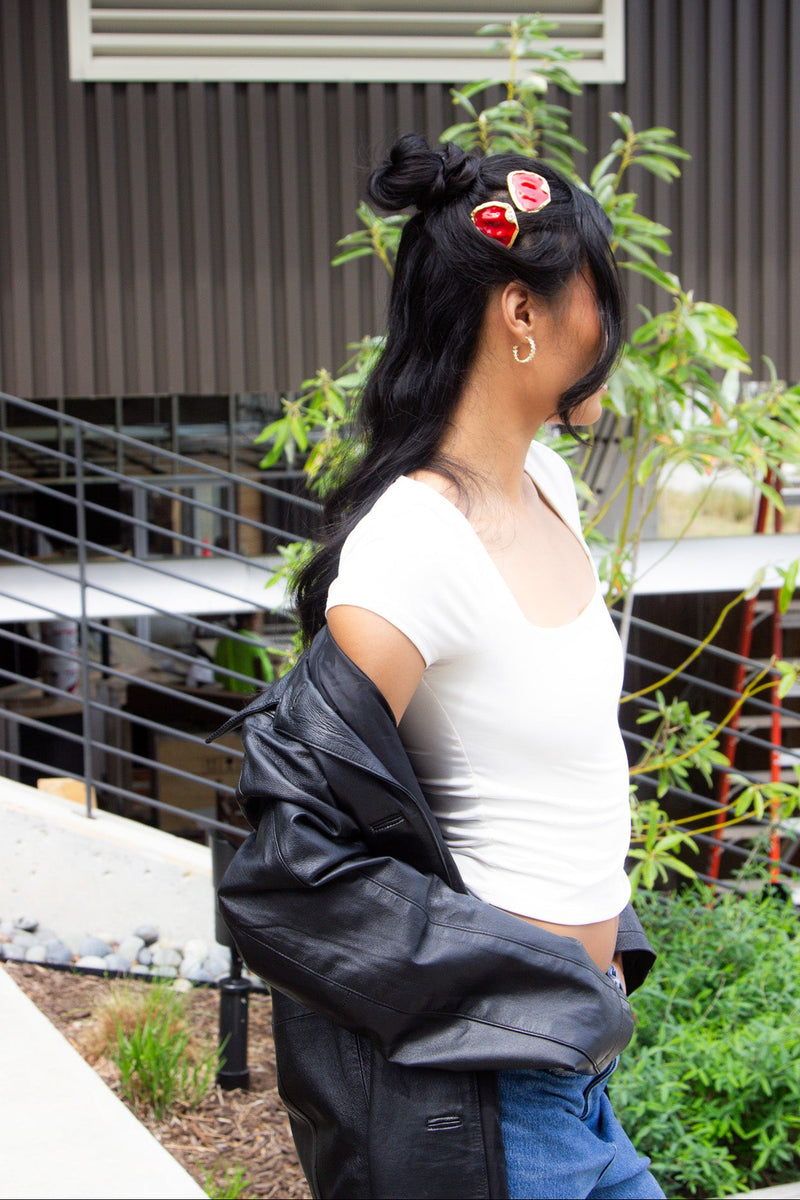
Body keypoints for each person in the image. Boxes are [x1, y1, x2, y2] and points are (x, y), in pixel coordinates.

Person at [214, 134, 663, 1199]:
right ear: (521, 313)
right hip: (487, 1097)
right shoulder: (413, 544)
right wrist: (525, 976)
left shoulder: (548, 483)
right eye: (596, 296)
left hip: (574, 1074)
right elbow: (290, 859)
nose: (608, 330)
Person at [212, 611, 274, 693]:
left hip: (228, 696)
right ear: (245, 621)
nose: (259, 622)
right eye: (256, 618)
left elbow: (217, 676)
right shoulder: (254, 642)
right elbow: (267, 675)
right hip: (251, 696)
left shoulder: (223, 642)